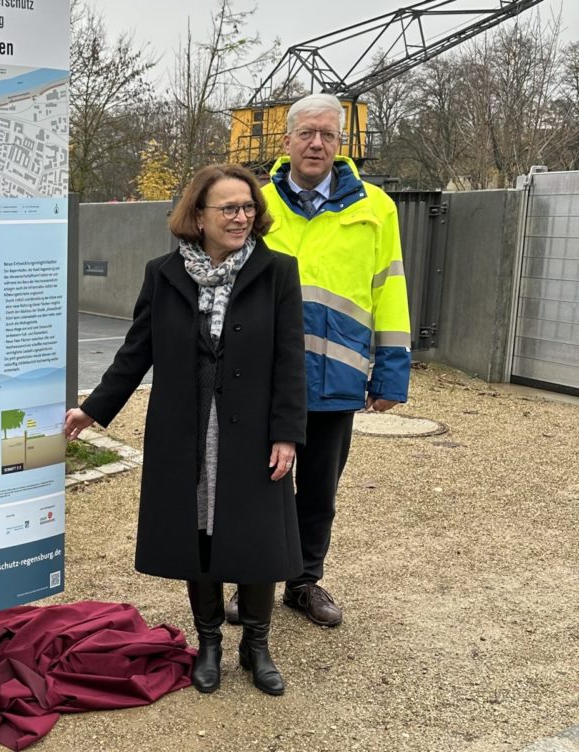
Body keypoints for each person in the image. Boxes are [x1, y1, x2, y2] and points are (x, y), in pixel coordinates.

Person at [64, 164, 306, 696]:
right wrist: (94, 409)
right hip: (186, 428)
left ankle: (256, 647)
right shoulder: (163, 273)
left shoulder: (277, 272)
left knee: (256, 536)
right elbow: (136, 351)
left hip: (254, 431)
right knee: (200, 531)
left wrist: (287, 433)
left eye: (248, 208)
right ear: (198, 216)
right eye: (229, 208)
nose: (242, 217)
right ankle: (210, 642)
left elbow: (290, 359)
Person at [226, 93, 412, 629]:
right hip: (262, 379)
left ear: (340, 142)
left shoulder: (376, 207)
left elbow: (390, 289)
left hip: (338, 374)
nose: (317, 143)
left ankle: (304, 582)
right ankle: (250, 581)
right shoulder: (256, 204)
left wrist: (392, 370)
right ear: (286, 141)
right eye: (307, 133)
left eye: (328, 134)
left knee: (319, 491)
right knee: (258, 486)